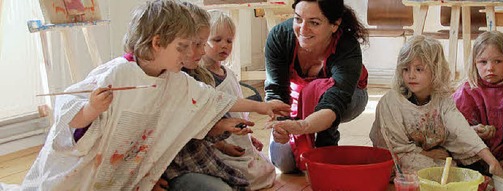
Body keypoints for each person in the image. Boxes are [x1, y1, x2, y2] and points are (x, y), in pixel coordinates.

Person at [18, 1, 289, 190]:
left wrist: (262, 108)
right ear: (157, 43)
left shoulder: (175, 77)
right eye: (182, 47)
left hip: (125, 169)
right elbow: (68, 112)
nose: (188, 55)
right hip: (85, 168)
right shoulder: (119, 73)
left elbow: (214, 99)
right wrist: (91, 109)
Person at [163, 8, 276, 191]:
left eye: (229, 41)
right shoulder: (191, 78)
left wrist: (249, 134)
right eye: (216, 40)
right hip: (208, 146)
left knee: (266, 169)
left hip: (230, 138)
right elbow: (207, 119)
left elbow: (234, 108)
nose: (224, 45)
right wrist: (261, 107)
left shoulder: (227, 75)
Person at [369, 35, 503, 176]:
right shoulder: (392, 101)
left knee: (467, 150)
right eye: (406, 69)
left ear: (435, 71)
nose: (411, 75)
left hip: (429, 145)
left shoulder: (442, 99)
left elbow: (460, 129)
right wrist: (427, 154)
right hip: (397, 153)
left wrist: (492, 161)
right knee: (435, 169)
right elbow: (394, 145)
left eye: (419, 69)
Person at [264, 0, 369, 173]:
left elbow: (336, 100)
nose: (303, 30)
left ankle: (326, 141)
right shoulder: (280, 36)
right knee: (284, 163)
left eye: (314, 22)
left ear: (334, 25)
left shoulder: (346, 46)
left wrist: (302, 126)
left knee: (317, 90)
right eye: (298, 19)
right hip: (299, 97)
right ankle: (310, 140)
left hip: (349, 98)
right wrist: (281, 126)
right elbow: (276, 91)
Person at [452, 31, 503, 174]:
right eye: (483, 62)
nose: (490, 68)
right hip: (476, 153)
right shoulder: (467, 91)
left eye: (498, 61)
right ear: (474, 63)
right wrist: (475, 131)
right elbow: (455, 131)